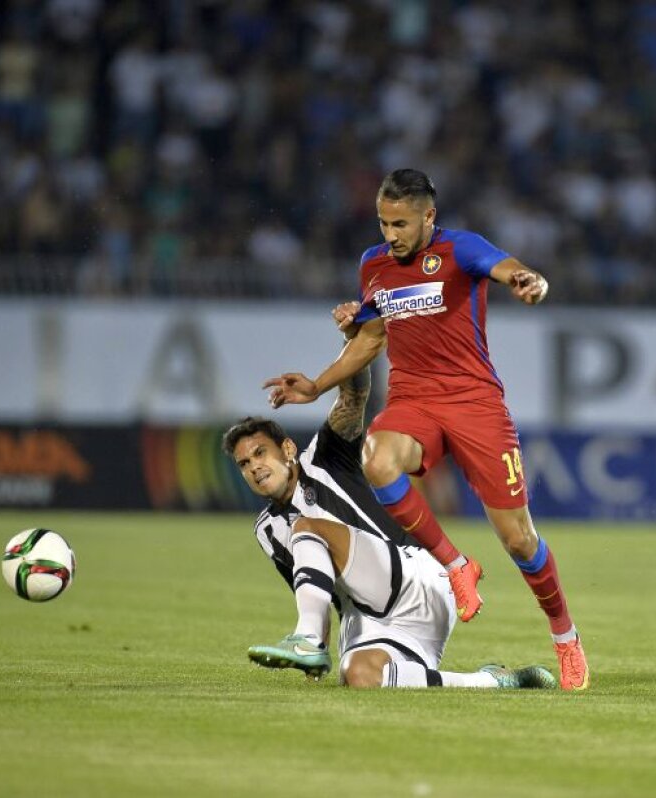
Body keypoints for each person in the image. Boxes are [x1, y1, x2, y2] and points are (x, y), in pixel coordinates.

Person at [262, 168, 589, 691]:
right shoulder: (373, 264)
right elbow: (371, 340)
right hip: (414, 401)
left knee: (520, 539)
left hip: (475, 404)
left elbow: (510, 269)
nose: (390, 234)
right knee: (377, 458)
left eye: (400, 223)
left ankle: (566, 638)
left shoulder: (461, 250)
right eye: (383, 222)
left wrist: (530, 280)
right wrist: (319, 385)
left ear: (428, 217)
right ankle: (457, 565)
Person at [222, 356, 555, 690]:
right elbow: (313, 592)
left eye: (261, 453)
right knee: (359, 676)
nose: (254, 466)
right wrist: (318, 651)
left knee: (307, 527)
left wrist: (352, 338)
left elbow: (354, 397)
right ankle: (492, 681)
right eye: (244, 463)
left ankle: (305, 638)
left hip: (417, 579)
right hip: (370, 614)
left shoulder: (325, 457)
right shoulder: (266, 530)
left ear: (287, 448)